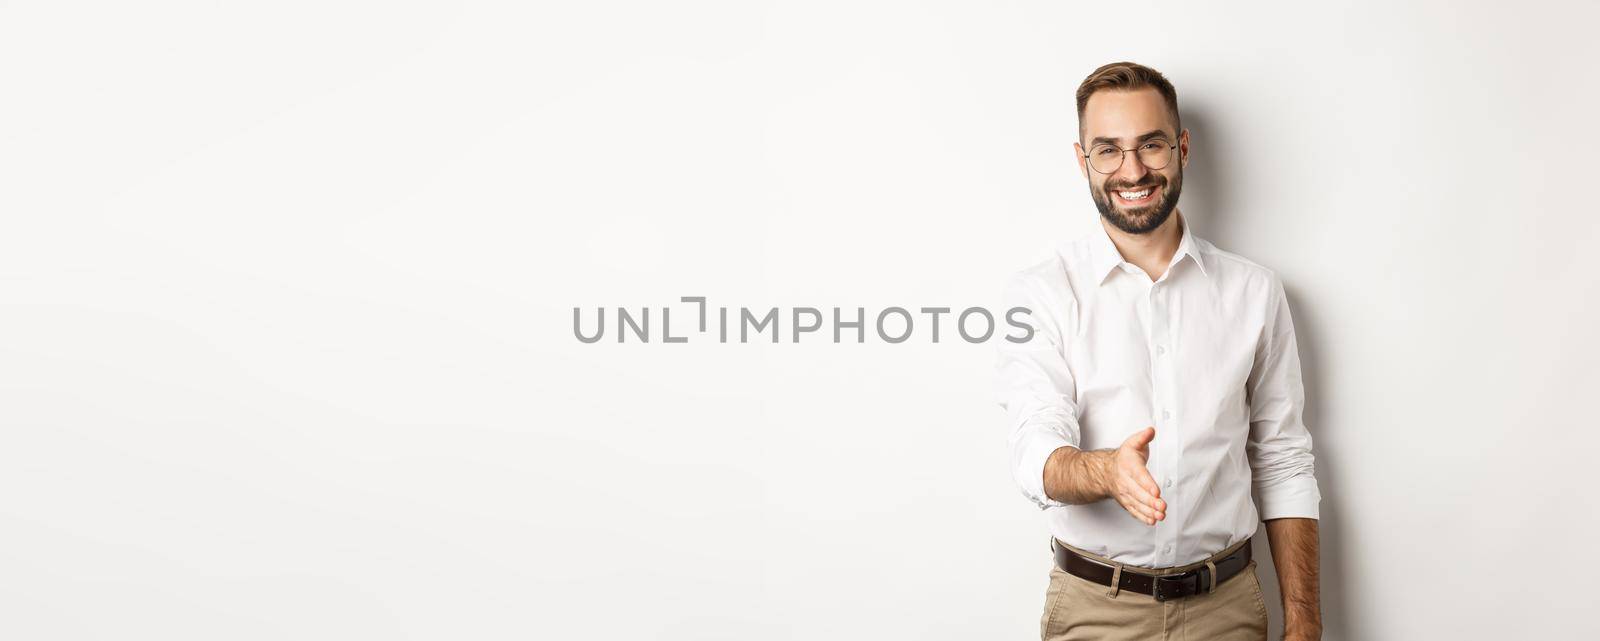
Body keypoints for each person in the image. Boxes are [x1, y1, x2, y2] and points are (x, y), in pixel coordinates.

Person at [997, 62, 1322, 641]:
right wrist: (1106, 472)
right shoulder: (1042, 292)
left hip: (1229, 608)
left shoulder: (1255, 291)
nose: (1133, 170)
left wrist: (1304, 621)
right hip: (1097, 610)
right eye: (1109, 150)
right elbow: (1035, 450)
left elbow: (1282, 456)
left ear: (1183, 148)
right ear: (1082, 161)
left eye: (1151, 145)